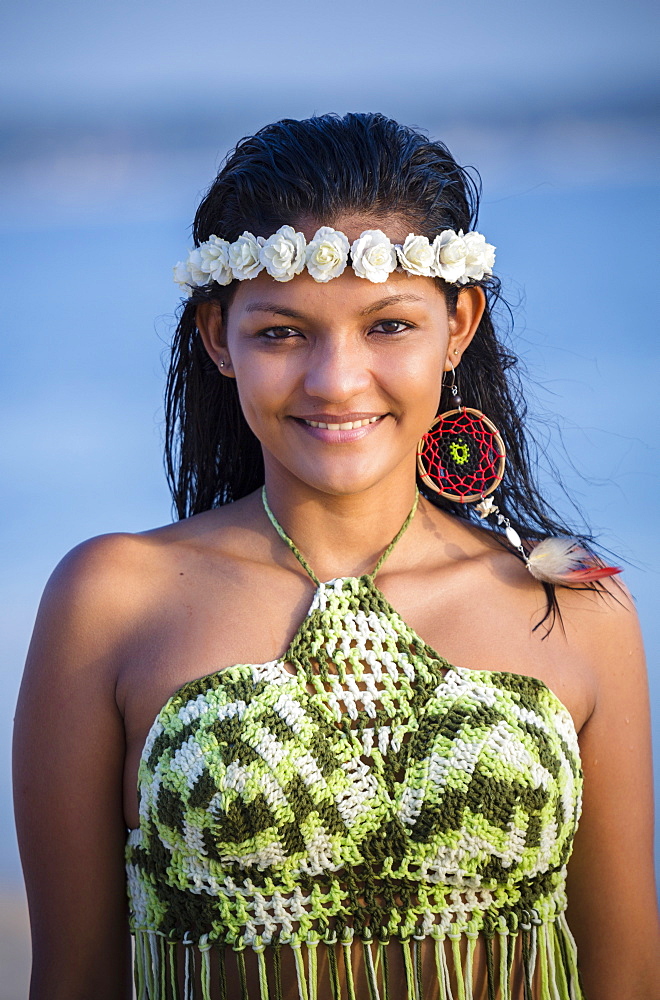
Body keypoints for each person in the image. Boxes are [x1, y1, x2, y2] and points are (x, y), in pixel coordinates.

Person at [13, 112, 659, 1000]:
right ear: (218, 338)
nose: (336, 379)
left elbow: (627, 976)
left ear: (458, 325)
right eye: (282, 332)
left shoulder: (579, 610)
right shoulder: (110, 600)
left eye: (389, 326)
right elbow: (75, 979)